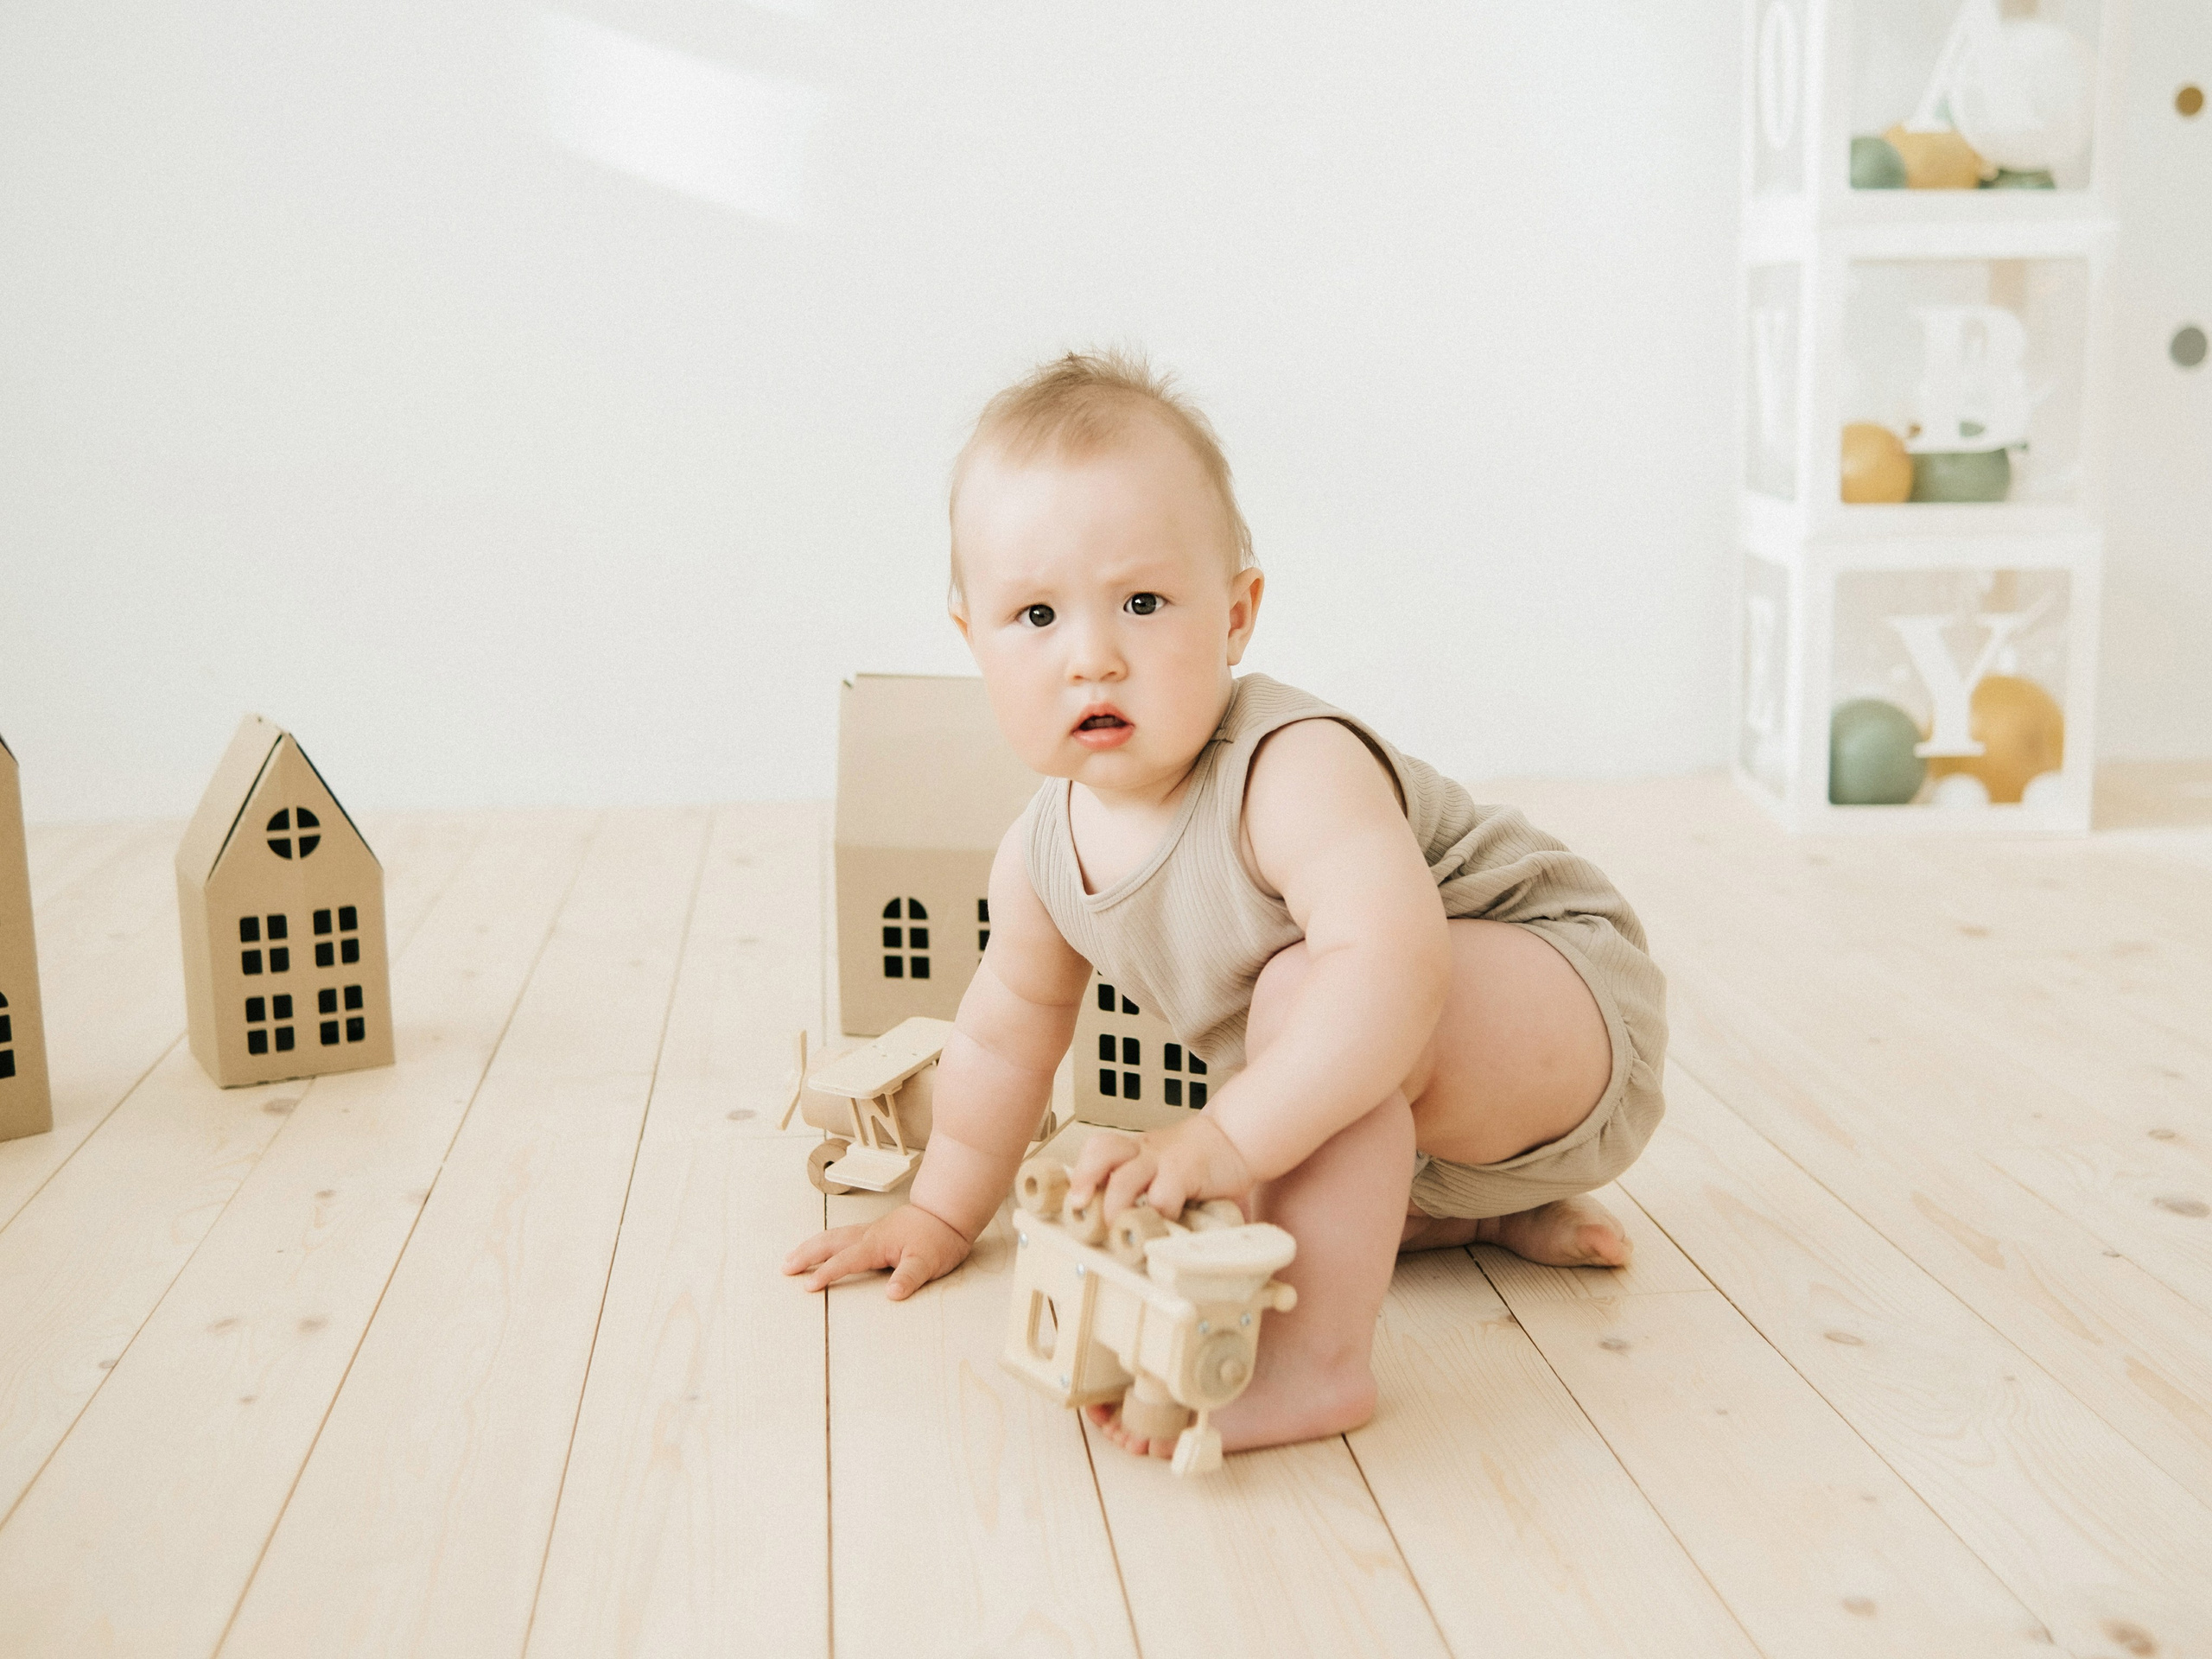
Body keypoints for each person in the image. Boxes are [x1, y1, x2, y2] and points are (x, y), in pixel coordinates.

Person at [784, 350, 1667, 1458]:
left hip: (1563, 1014)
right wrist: (943, 1212)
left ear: (1237, 615)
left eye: (1143, 603)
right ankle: (1478, 1215)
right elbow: (1003, 1046)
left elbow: (1393, 978)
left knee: (1309, 998)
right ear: (973, 646)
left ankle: (1317, 1366)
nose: (1092, 658)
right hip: (1431, 1126)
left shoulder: (1289, 770)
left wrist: (1221, 1141)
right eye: (1036, 615)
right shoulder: (1038, 858)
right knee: (1275, 1136)